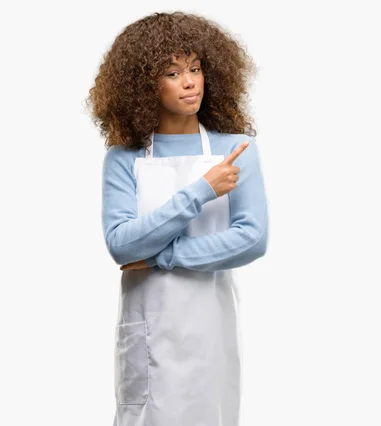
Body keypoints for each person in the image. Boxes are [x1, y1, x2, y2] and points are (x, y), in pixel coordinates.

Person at [86, 11, 269, 426]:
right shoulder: (124, 158)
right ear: (144, 84)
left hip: (210, 328)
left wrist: (159, 258)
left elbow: (252, 238)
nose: (190, 81)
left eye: (195, 68)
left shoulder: (235, 148)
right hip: (148, 330)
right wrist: (201, 190)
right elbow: (121, 243)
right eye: (172, 72)